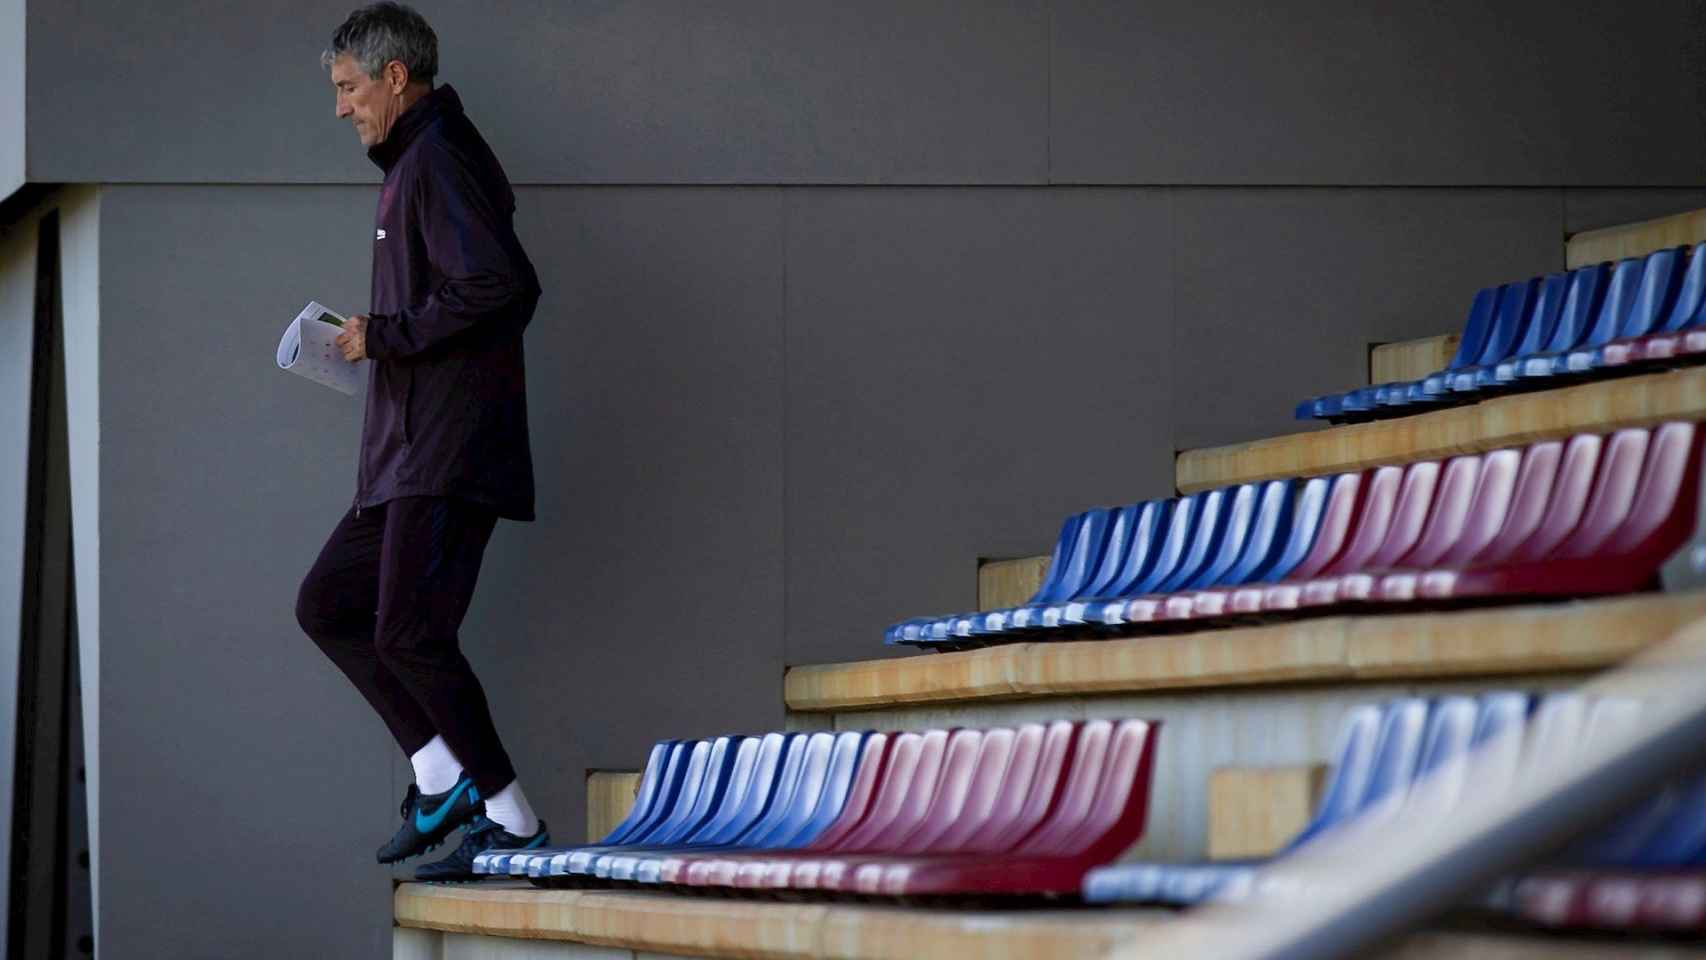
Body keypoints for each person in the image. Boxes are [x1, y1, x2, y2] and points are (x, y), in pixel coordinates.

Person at [295, 1, 548, 881]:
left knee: (409, 634)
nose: (341, 107)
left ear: (394, 77)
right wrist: (381, 338)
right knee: (330, 604)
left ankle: (514, 822)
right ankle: (440, 774)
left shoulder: (438, 158)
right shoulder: (416, 160)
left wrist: (385, 335)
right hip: (406, 455)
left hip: (444, 450)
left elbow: (503, 285)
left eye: (349, 87)